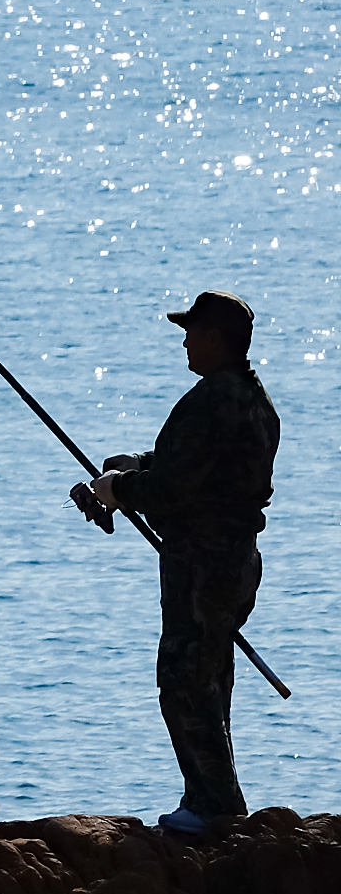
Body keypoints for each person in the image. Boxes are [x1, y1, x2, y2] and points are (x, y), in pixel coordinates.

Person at [90, 291, 279, 836]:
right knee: (210, 676)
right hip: (238, 561)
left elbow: (172, 489)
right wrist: (138, 465)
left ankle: (214, 807)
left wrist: (118, 489)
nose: (185, 340)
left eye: (192, 332)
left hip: (201, 564)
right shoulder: (254, 400)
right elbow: (203, 467)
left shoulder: (207, 401)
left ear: (217, 339)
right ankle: (210, 797)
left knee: (183, 679)